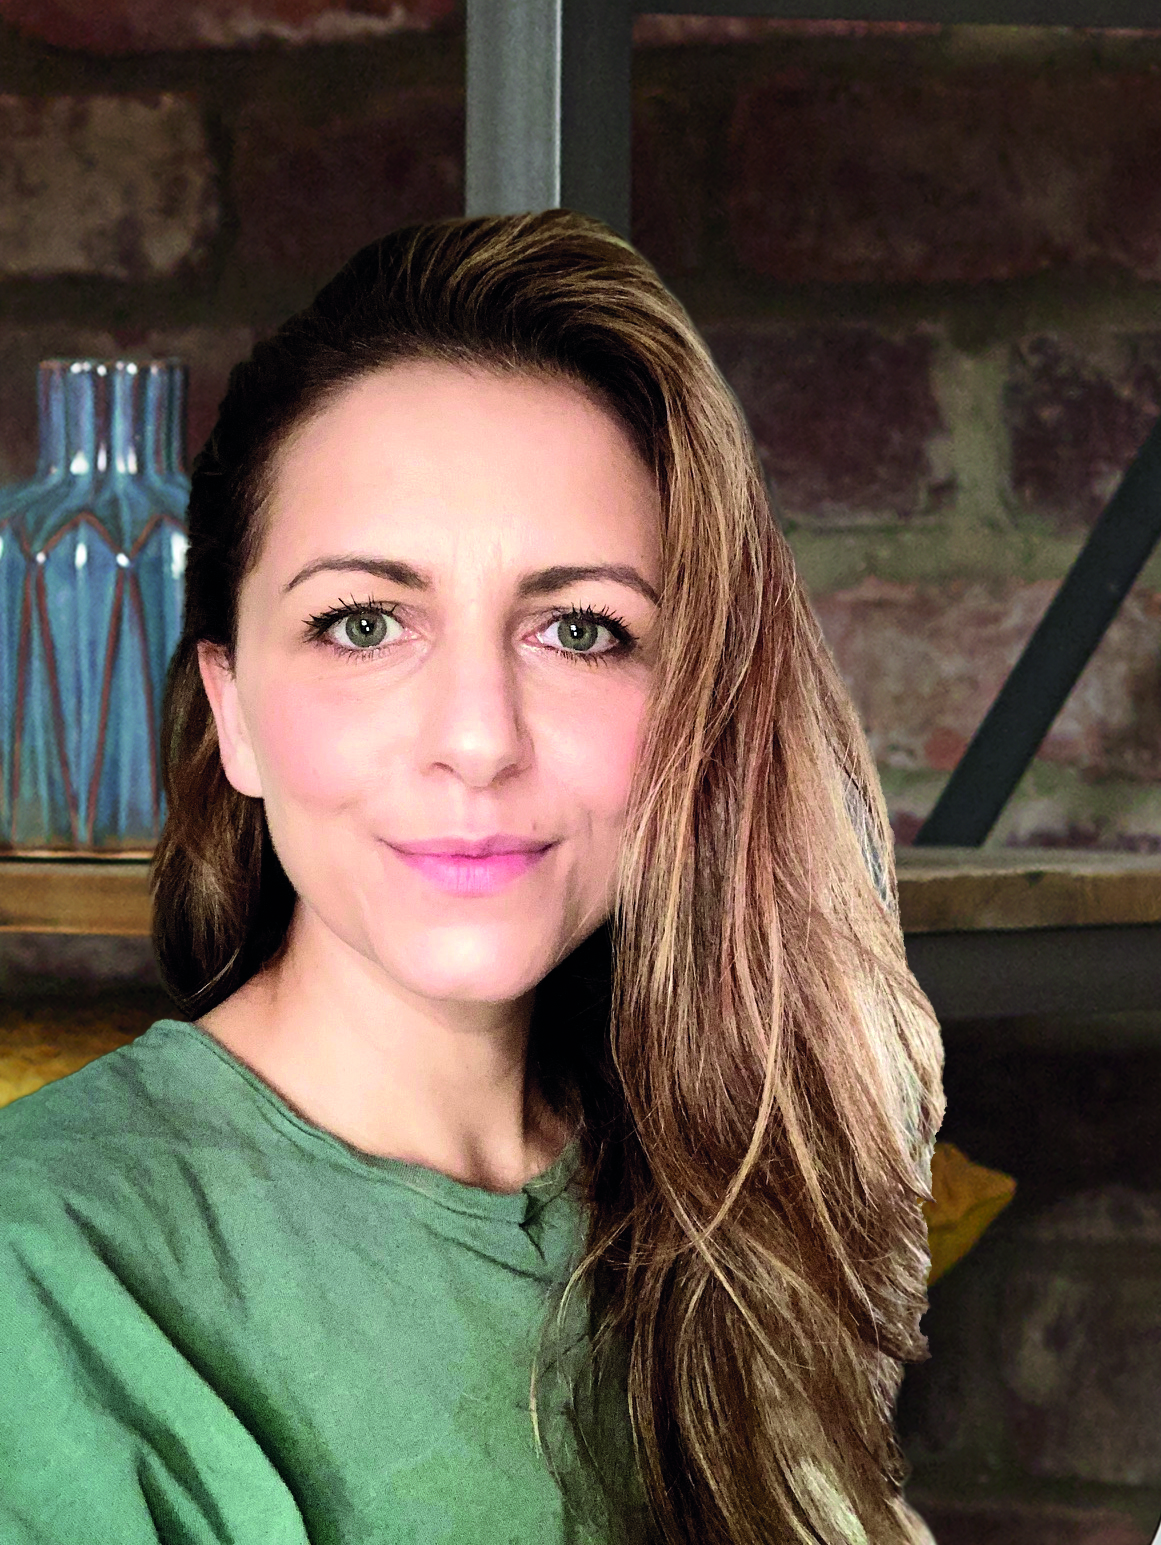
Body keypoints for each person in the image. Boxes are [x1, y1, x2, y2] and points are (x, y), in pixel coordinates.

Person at [0, 210, 945, 1545]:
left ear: (693, 700)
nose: (480, 739)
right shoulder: (42, 1267)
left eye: (582, 630)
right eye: (364, 624)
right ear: (234, 711)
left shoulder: (749, 1196)